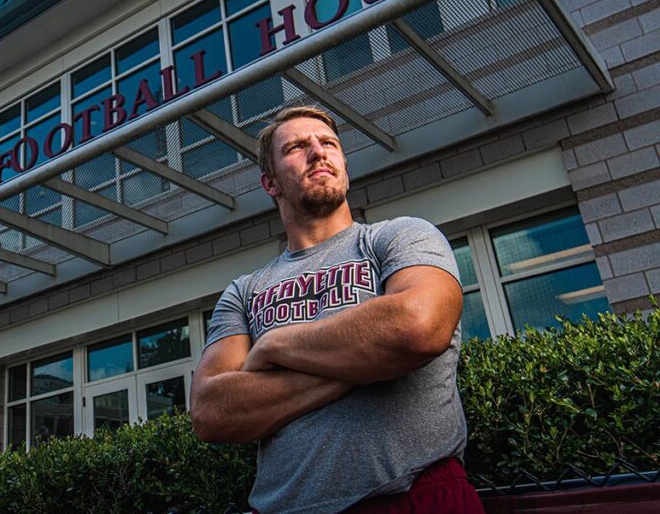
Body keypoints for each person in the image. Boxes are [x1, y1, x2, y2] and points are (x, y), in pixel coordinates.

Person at [190, 105, 484, 513]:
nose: (318, 152)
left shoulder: (400, 237)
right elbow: (211, 410)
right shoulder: (244, 292)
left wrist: (274, 345)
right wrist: (364, 364)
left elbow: (417, 326)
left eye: (328, 143)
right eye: (296, 146)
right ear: (270, 183)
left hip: (412, 495)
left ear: (344, 163)